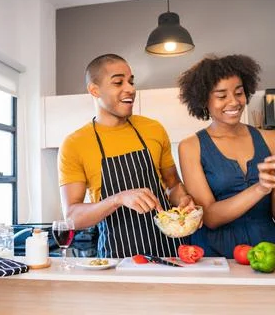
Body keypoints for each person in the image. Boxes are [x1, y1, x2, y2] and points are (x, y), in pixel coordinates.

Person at [177, 54, 275, 258]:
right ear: (204, 99)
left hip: (266, 253)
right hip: (215, 257)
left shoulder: (269, 140)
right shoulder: (191, 146)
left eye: (239, 92)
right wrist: (259, 189)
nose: (234, 102)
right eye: (222, 96)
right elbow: (210, 217)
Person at [58, 53, 195, 258]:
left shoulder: (153, 129)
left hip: (172, 252)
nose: (130, 89)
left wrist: (184, 200)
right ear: (94, 90)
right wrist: (118, 199)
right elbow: (72, 217)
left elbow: (173, 184)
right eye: (118, 82)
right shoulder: (74, 144)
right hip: (118, 259)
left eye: (131, 81)